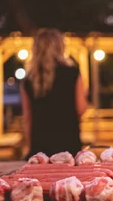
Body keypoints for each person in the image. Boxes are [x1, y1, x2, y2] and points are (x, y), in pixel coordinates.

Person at [20, 28, 87, 159]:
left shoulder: (29, 79)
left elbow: (27, 118)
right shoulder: (72, 73)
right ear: (60, 47)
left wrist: (29, 147)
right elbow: (81, 109)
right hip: (68, 143)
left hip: (40, 145)